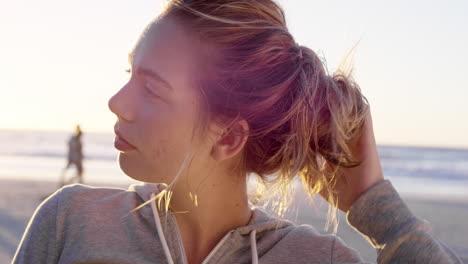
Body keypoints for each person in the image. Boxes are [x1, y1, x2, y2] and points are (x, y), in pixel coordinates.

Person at [13, 1, 462, 263]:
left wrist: (378, 210)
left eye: (151, 87)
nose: (116, 101)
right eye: (129, 73)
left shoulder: (314, 259)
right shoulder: (71, 222)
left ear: (228, 136)